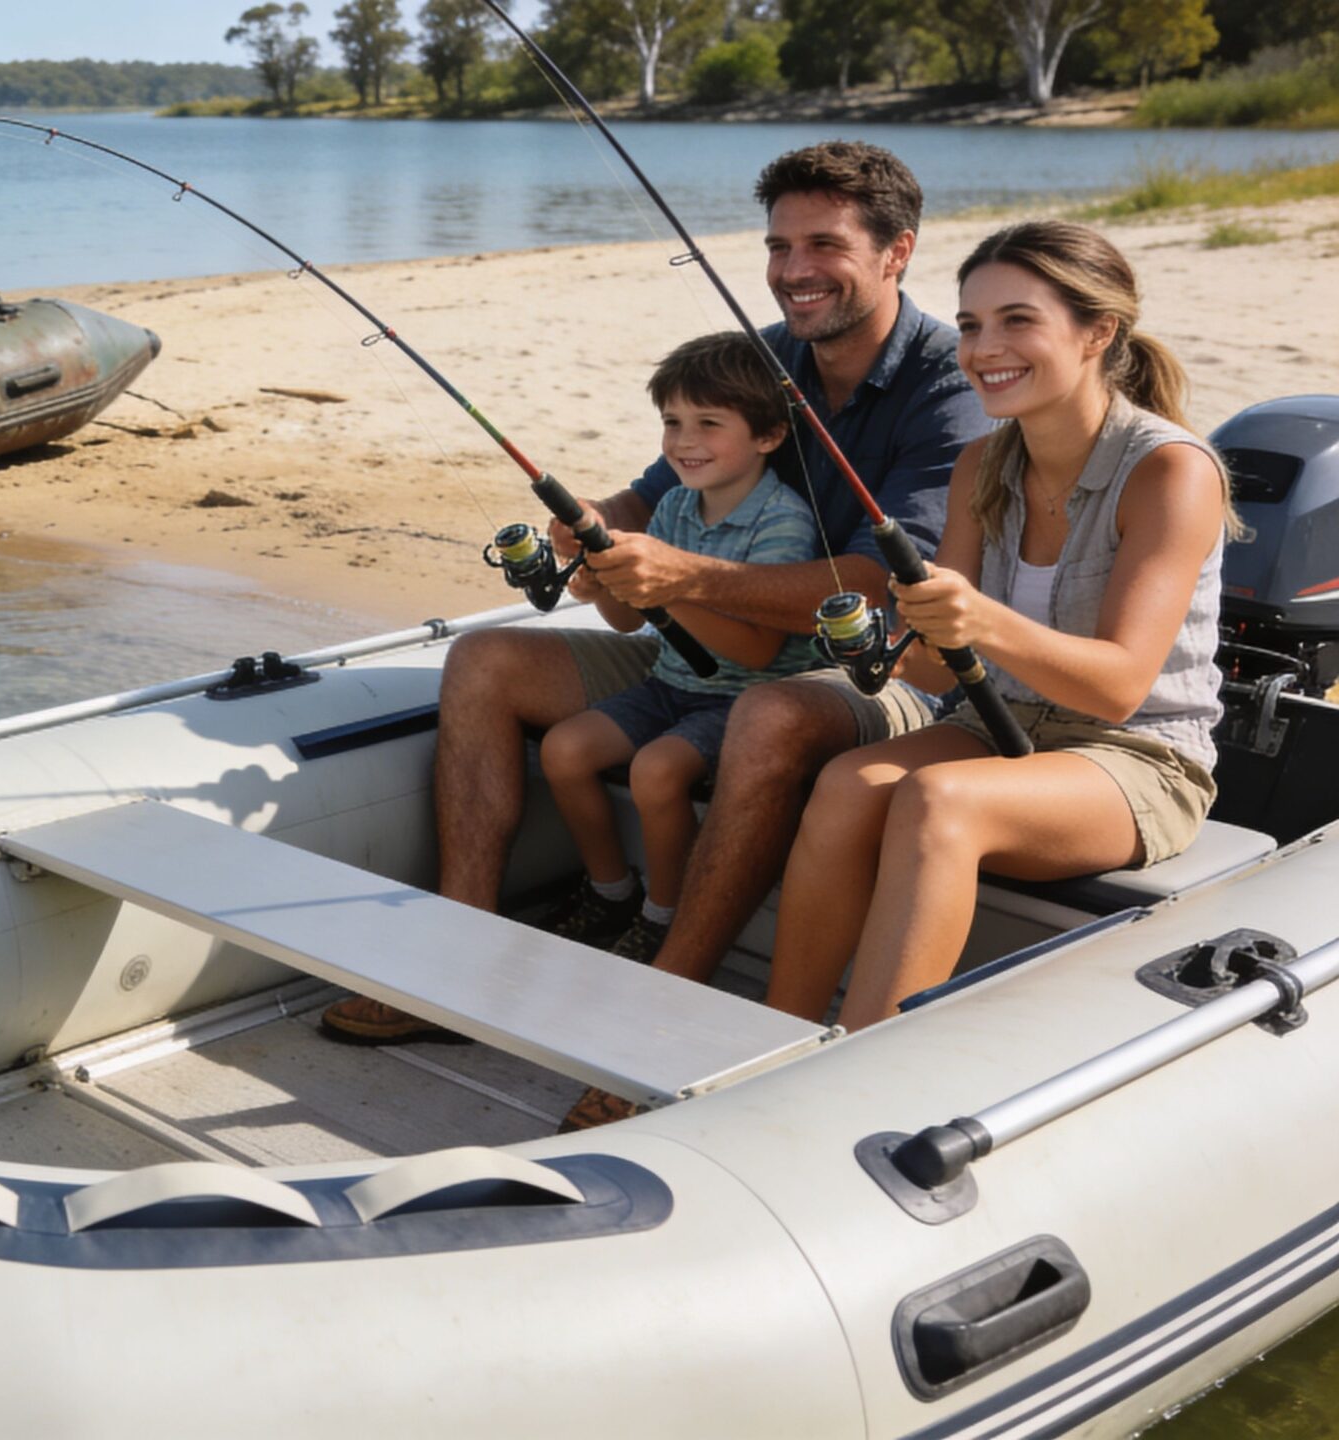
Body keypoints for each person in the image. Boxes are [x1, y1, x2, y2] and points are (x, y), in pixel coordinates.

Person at [323, 140, 991, 1044]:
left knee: (775, 715)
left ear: (895, 252)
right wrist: (595, 523)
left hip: (879, 674)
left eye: (823, 245)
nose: (793, 272)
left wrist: (683, 575)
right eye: (777, 246)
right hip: (714, 649)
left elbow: (883, 588)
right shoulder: (764, 356)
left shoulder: (950, 385)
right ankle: (456, 956)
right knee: (485, 660)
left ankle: (663, 1014)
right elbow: (653, 491)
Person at [764, 220, 1237, 1030]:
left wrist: (980, 617)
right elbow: (943, 671)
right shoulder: (985, 464)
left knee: (941, 800)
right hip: (1005, 724)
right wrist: (905, 639)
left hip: (1139, 759)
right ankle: (772, 1042)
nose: (985, 348)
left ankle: (865, 1059)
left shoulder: (1169, 470)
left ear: (1098, 332)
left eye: (1019, 320)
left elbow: (1122, 687)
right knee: (848, 784)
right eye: (973, 324)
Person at [533, 334, 822, 964]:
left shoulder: (784, 521)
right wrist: (601, 579)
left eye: (709, 424)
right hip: (671, 685)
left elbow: (754, 649)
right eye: (672, 422)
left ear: (769, 435)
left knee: (656, 770)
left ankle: (663, 916)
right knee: (565, 750)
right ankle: (611, 892)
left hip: (743, 701)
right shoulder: (671, 506)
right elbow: (625, 623)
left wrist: (669, 585)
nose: (684, 441)